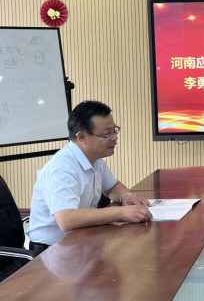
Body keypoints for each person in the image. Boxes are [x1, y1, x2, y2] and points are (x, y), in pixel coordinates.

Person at [27, 100, 153, 254]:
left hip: (81, 240)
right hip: (52, 252)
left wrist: (125, 197)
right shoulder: (61, 168)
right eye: (106, 134)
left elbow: (113, 187)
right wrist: (121, 212)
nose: (114, 137)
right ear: (81, 137)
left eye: (114, 130)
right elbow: (66, 219)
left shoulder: (95, 160)